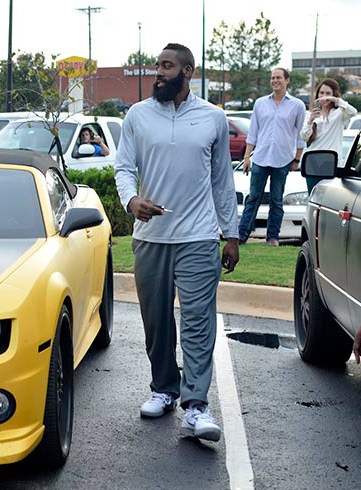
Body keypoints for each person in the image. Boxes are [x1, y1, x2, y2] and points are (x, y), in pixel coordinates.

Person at [114, 43, 240, 443]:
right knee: (156, 321)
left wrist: (231, 234)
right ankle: (164, 389)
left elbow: (222, 181)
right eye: (158, 65)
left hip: (199, 236)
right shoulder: (138, 115)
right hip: (151, 237)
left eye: (167, 66)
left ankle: (197, 406)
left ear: (187, 72)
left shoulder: (213, 118)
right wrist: (131, 201)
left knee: (199, 322)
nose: (159, 72)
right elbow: (123, 168)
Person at [238, 68, 307, 246]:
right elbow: (252, 133)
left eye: (278, 77)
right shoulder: (260, 103)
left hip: (282, 160)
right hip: (260, 158)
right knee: (253, 198)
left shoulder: (297, 105)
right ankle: (242, 235)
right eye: (273, 78)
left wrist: (297, 159)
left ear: (287, 80)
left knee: (276, 200)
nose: (275, 80)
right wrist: (247, 157)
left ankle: (273, 237)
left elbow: (301, 135)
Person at [300, 78, 358, 194]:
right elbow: (304, 137)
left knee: (329, 199)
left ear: (333, 95)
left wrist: (336, 100)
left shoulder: (339, 114)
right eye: (321, 93)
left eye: (328, 93)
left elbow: (353, 112)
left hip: (331, 163)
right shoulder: (311, 115)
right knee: (313, 198)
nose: (324, 96)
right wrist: (311, 120)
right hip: (313, 163)